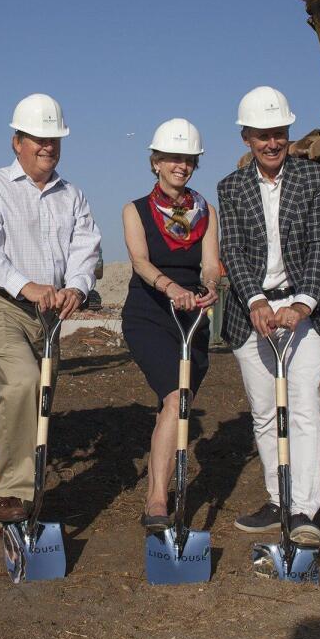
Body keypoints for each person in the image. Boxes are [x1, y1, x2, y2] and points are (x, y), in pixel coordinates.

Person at [0, 93, 101, 531]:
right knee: (23, 383)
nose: (48, 146)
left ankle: (19, 502)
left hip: (49, 318)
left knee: (39, 399)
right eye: (38, 138)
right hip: (0, 305)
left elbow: (86, 248)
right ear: (16, 142)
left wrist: (77, 287)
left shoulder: (72, 196)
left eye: (54, 138)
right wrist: (27, 285)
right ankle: (11, 495)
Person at [217, 86, 320, 547]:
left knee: (304, 404)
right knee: (265, 413)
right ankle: (277, 498)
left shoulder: (314, 179)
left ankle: (305, 509)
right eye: (262, 135)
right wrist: (256, 303)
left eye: (279, 133)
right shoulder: (231, 188)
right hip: (253, 314)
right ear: (246, 137)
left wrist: (302, 303)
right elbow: (233, 251)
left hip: (303, 310)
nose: (272, 143)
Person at [121, 119, 220, 531]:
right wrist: (171, 287)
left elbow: (211, 264)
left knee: (181, 403)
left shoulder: (206, 211)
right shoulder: (136, 210)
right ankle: (157, 498)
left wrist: (210, 286)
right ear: (156, 162)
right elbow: (141, 263)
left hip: (191, 315)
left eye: (188, 159)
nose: (180, 165)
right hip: (150, 311)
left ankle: (160, 492)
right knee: (174, 396)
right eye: (172, 158)